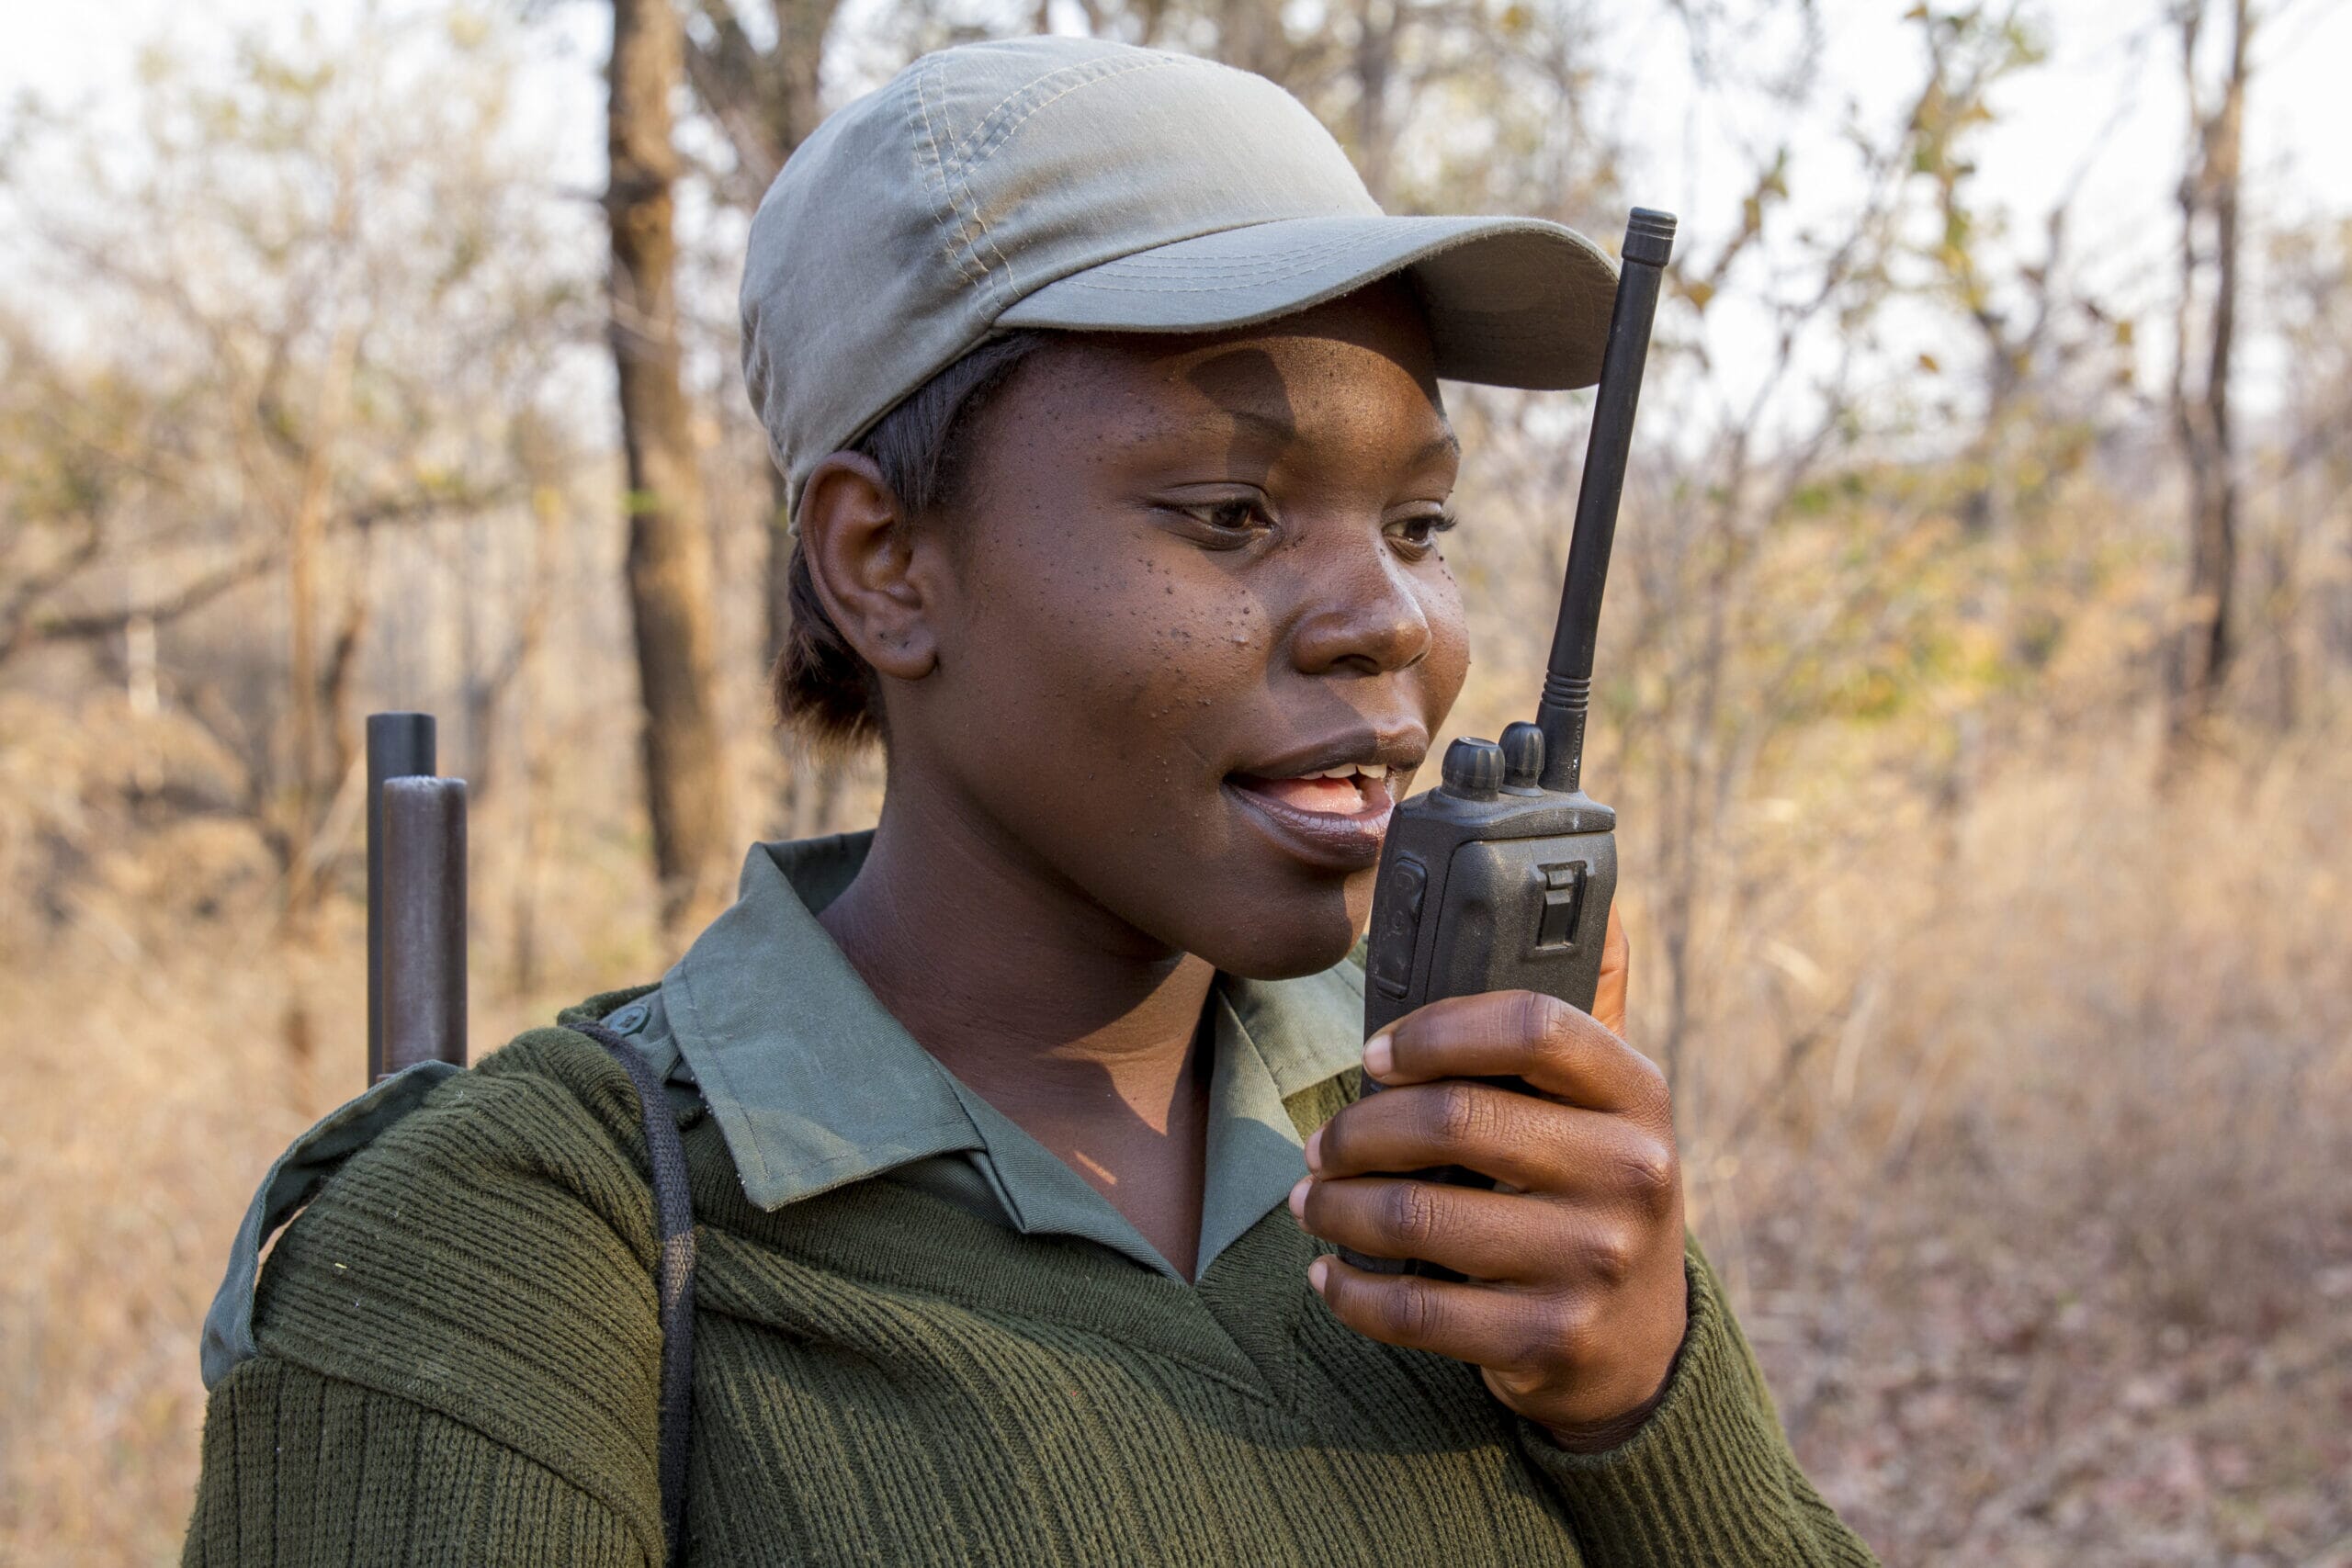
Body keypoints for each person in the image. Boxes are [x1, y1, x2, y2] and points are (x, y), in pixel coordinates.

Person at [185, 34, 1874, 1566]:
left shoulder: (1448, 1130)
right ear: (883, 562)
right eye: (1231, 513)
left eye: (1418, 527)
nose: (1393, 621)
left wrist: (1637, 1397)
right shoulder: (515, 1248)